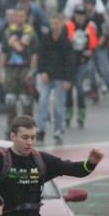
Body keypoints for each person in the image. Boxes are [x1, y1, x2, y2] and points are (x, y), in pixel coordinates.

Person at [0, 8, 38, 134]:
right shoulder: (9, 31)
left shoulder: (31, 32)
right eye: (17, 15)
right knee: (10, 99)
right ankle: (11, 127)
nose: (20, 18)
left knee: (26, 99)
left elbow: (34, 53)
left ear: (26, 17)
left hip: (25, 67)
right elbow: (4, 52)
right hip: (10, 68)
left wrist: (32, 71)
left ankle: (28, 127)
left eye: (22, 15)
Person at [36, 13, 74, 144]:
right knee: (42, 102)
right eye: (52, 23)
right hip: (47, 76)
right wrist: (42, 71)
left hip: (60, 77)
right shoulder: (46, 39)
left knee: (58, 105)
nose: (54, 26)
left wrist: (68, 79)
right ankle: (40, 129)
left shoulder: (66, 41)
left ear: (62, 24)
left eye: (56, 23)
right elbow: (41, 56)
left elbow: (69, 61)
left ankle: (58, 129)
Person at [65, 5, 98, 129]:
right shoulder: (68, 26)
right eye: (77, 15)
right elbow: (66, 43)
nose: (79, 17)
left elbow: (93, 44)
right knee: (68, 88)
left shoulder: (89, 27)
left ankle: (81, 114)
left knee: (79, 87)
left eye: (82, 15)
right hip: (69, 63)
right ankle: (68, 112)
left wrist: (90, 51)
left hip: (82, 62)